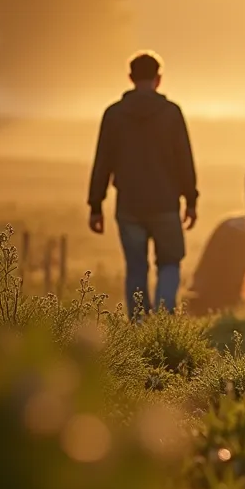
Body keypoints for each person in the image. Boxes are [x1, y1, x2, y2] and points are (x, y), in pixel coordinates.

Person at [87, 51, 199, 319]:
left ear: (130, 78)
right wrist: (191, 201)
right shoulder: (171, 113)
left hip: (129, 206)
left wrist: (95, 205)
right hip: (165, 204)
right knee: (170, 262)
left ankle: (138, 323)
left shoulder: (114, 115)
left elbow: (103, 161)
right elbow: (184, 159)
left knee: (136, 268)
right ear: (158, 79)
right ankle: (162, 320)